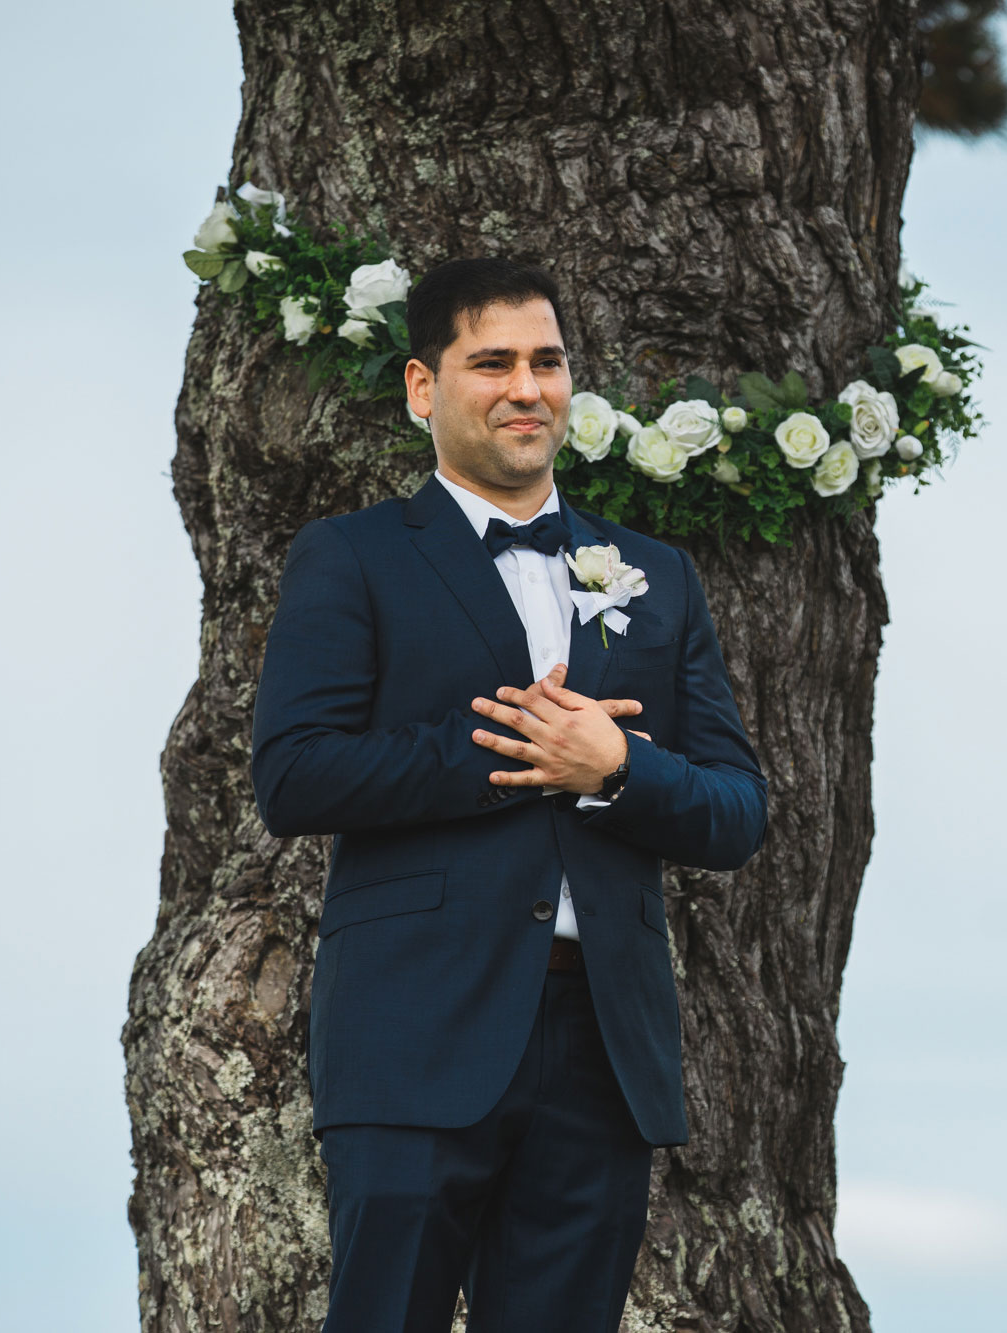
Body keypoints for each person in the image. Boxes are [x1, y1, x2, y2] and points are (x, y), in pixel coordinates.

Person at [249, 256, 769, 1332]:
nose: (525, 387)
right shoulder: (350, 559)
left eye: (546, 361)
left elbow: (734, 809)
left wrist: (616, 771)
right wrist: (518, 749)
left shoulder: (653, 575)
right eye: (491, 362)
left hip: (600, 1043)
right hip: (413, 1032)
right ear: (421, 389)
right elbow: (295, 774)